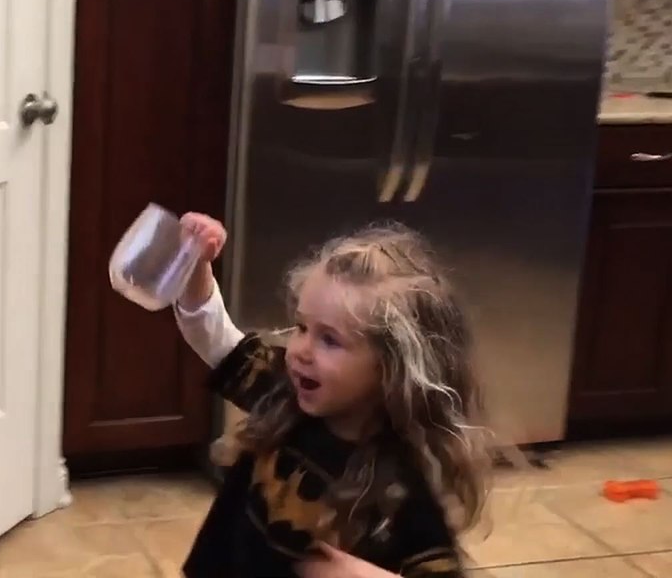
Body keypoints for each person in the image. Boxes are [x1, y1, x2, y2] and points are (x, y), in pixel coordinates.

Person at [174, 214, 490, 578]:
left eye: (330, 340)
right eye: (302, 327)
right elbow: (213, 336)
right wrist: (198, 264)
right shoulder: (284, 391)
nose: (301, 351)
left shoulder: (402, 489)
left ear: (391, 367)